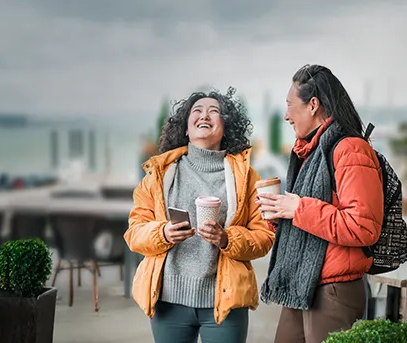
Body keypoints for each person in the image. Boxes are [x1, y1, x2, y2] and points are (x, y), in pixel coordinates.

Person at [125, 87, 275, 343]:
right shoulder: (159, 174)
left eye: (214, 111)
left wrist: (226, 239)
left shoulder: (246, 178)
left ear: (226, 127)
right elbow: (134, 233)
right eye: (197, 110)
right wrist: (163, 233)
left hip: (226, 300)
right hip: (168, 300)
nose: (204, 115)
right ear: (186, 128)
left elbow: (264, 236)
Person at [259, 64, 383, 343]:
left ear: (313, 105)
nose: (286, 116)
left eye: (290, 105)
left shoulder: (351, 149)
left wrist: (298, 209)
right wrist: (280, 215)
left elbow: (363, 227)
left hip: (334, 291)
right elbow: (309, 218)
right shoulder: (310, 152)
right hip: (300, 285)